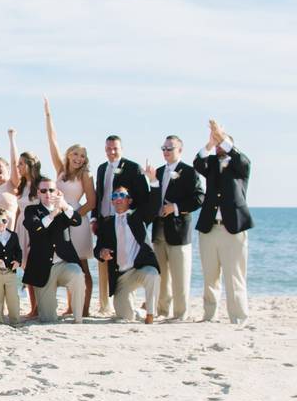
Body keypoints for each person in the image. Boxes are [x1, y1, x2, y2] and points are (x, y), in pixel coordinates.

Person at [194, 120, 253, 324]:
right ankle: (209, 315)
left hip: (233, 230)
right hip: (209, 229)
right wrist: (210, 144)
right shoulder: (211, 164)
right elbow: (197, 162)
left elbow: (242, 160)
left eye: (221, 143)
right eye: (217, 143)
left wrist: (223, 138)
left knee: (234, 276)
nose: (218, 146)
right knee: (210, 276)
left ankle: (238, 316)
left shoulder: (240, 166)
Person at [44, 98, 97, 316]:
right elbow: (52, 140)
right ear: (68, 154)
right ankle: (70, 305)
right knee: (67, 262)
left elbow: (91, 202)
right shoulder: (60, 170)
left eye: (82, 156)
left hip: (77, 221)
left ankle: (83, 309)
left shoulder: (85, 174)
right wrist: (48, 115)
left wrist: (73, 214)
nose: (78, 158)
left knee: (82, 265)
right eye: (75, 154)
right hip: (59, 220)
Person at [143, 135, 204, 321]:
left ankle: (180, 314)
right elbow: (152, 198)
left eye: (170, 148)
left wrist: (174, 207)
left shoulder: (189, 172)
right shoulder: (159, 172)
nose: (166, 152)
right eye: (163, 148)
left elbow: (199, 198)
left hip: (178, 231)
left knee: (180, 276)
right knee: (161, 275)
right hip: (158, 230)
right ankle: (162, 310)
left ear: (180, 150)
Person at [93, 133, 149, 316]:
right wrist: (95, 218)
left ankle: (129, 303)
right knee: (104, 260)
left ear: (121, 149)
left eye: (115, 148)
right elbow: (98, 196)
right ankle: (104, 305)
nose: (111, 152)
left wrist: (134, 220)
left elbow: (143, 197)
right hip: (104, 222)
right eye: (108, 148)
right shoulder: (102, 168)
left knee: (125, 262)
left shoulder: (133, 168)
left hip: (124, 222)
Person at [22, 177, 86, 323]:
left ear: (57, 192)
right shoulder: (31, 210)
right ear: (38, 193)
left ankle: (78, 319)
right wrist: (52, 215)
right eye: (43, 191)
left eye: (51, 190)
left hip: (64, 264)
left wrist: (64, 206)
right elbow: (35, 228)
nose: (48, 194)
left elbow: (77, 221)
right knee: (48, 319)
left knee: (77, 273)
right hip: (43, 268)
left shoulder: (65, 208)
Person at [95, 186, 160, 323]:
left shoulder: (138, 217)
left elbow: (154, 205)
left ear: (129, 200)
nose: (118, 198)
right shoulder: (106, 223)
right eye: (114, 196)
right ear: (112, 201)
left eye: (122, 195)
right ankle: (138, 311)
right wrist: (102, 252)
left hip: (139, 269)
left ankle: (150, 313)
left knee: (153, 274)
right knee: (125, 315)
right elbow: (97, 249)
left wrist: (153, 181)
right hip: (121, 277)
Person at [14, 149, 43, 317]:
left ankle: (39, 306)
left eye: (21, 164)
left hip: (34, 228)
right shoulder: (22, 185)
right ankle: (34, 308)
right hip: (21, 227)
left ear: (30, 165)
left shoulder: (40, 184)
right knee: (26, 268)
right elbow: (19, 210)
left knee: (35, 266)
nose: (18, 167)